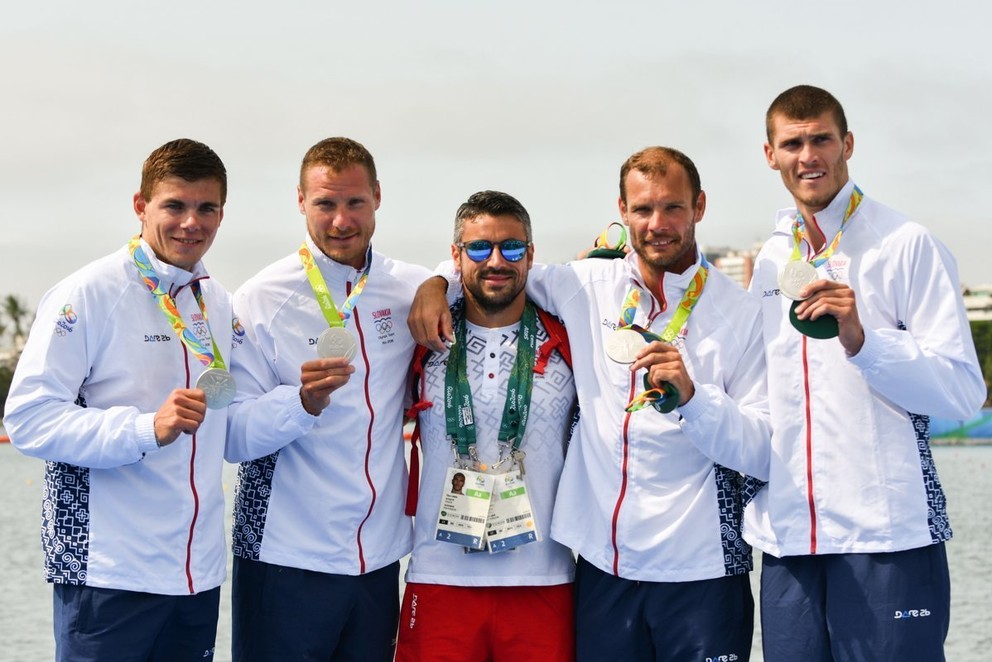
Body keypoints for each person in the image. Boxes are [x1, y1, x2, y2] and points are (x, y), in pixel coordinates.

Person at [410, 147, 771, 661]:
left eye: (672, 208)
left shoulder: (740, 313)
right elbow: (492, 263)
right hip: (604, 570)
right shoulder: (584, 286)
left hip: (701, 568)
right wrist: (434, 283)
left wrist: (694, 399)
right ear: (622, 211)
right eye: (643, 210)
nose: (658, 224)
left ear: (700, 206)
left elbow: (763, 452)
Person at [746, 85, 986, 661]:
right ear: (770, 155)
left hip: (888, 535)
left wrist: (862, 340)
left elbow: (962, 391)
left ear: (847, 143)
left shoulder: (907, 245)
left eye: (822, 139)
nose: (809, 156)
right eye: (793, 143)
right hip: (790, 539)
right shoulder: (772, 260)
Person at [5, 139, 232, 661]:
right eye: (174, 205)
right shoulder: (89, 292)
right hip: (107, 572)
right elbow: (28, 419)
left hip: (193, 575)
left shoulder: (214, 301)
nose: (191, 222)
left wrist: (304, 404)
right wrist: (144, 428)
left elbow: (227, 424)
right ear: (141, 206)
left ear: (222, 212)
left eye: (207, 208)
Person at [225, 137, 431, 661]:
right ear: (300, 201)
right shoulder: (259, 298)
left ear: (378, 196)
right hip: (285, 552)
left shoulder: (409, 286)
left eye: (355, 202)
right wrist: (301, 404)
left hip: (379, 556)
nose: (341, 220)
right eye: (325, 204)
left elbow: (479, 278)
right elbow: (232, 434)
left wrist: (436, 283)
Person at [396, 190, 578, 661]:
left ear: (530, 255)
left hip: (545, 579)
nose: (496, 260)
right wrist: (435, 283)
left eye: (511, 248)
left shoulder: (567, 336)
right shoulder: (423, 336)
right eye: (479, 248)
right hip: (439, 577)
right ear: (456, 256)